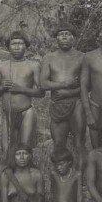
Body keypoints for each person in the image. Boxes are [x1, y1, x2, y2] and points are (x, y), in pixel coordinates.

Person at [40, 24, 86, 172]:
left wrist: (69, 93)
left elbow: (87, 85)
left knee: (79, 143)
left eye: (68, 34)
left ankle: (80, 181)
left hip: (77, 104)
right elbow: (43, 83)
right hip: (57, 105)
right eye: (61, 34)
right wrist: (65, 83)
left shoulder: (82, 57)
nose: (64, 37)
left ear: (73, 37)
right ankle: (60, 181)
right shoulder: (49, 57)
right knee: (59, 144)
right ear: (56, 38)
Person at [0, 31, 44, 163]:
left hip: (26, 112)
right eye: (13, 43)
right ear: (8, 46)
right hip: (7, 114)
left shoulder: (33, 65)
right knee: (7, 151)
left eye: (20, 43)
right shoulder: (1, 66)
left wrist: (21, 89)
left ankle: (27, 180)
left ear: (26, 46)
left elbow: (41, 92)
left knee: (25, 150)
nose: (16, 46)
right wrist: (3, 87)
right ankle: (9, 180)